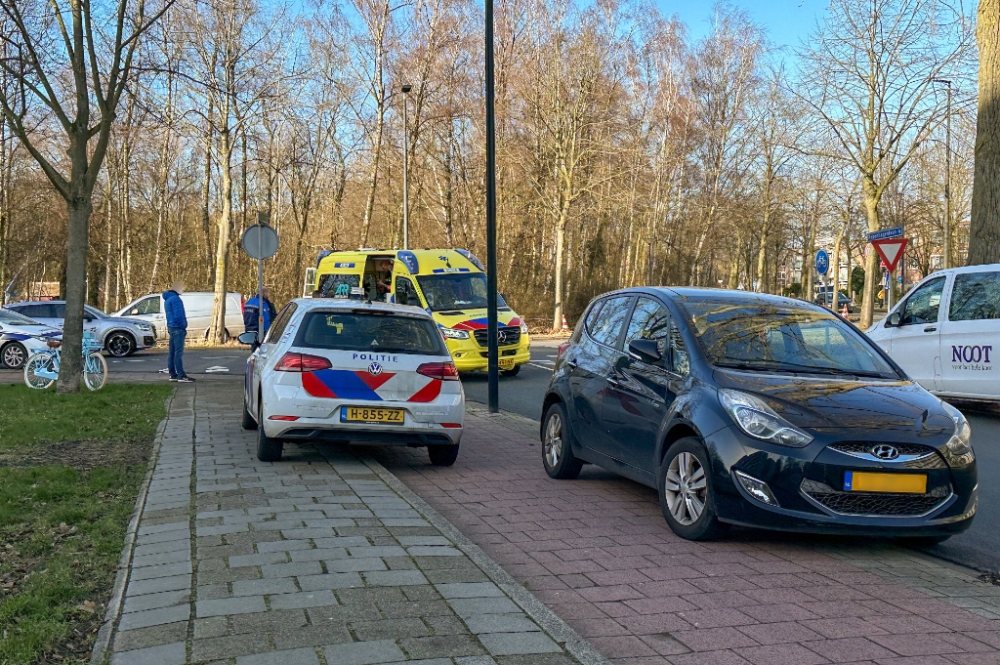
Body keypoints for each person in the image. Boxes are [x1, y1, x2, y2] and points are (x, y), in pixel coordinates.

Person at [163, 281, 194, 383]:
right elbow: (179, 315)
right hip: (178, 328)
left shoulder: (168, 300)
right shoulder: (176, 300)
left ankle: (173, 374)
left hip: (171, 328)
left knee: (172, 352)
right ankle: (181, 375)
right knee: (178, 353)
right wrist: (183, 326)